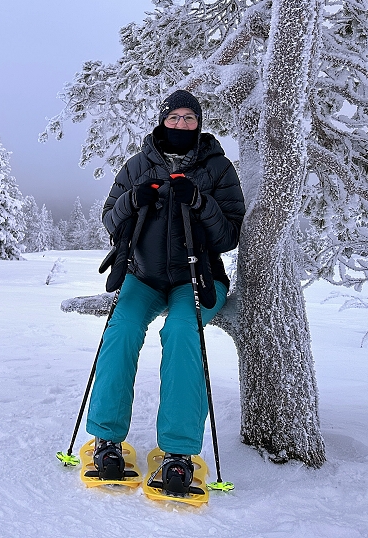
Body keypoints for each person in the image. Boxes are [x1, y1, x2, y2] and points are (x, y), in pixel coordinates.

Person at [85, 89, 245, 494]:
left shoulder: (219, 168)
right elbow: (110, 218)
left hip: (199, 278)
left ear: (199, 123)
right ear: (163, 121)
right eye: (174, 118)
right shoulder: (138, 165)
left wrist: (200, 202)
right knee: (119, 331)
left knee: (180, 333)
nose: (181, 125)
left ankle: (178, 451)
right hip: (143, 276)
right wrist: (131, 199)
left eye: (189, 118)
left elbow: (230, 235)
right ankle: (106, 438)